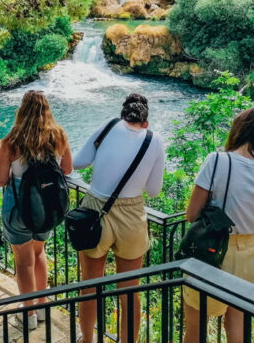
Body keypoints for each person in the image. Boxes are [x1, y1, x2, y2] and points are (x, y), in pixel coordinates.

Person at [182, 107, 254, 343]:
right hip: (252, 253)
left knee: (197, 325)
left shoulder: (218, 161)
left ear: (240, 129)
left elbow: (191, 214)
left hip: (214, 250)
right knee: (237, 319)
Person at [73, 94, 166, 343]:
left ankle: (87, 339)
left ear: (123, 114)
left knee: (89, 287)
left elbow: (79, 162)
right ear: (145, 122)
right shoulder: (154, 140)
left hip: (95, 211)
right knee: (129, 292)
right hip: (133, 216)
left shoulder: (109, 125)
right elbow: (154, 191)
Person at [0, 90, 73, 330]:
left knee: (23, 262)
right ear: (46, 110)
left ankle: (28, 314)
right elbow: (67, 169)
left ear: (22, 111)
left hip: (18, 207)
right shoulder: (58, 136)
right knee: (39, 254)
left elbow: (0, 180)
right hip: (46, 208)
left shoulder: (11, 141)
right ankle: (41, 307)